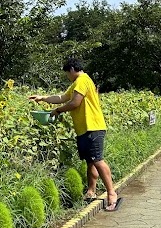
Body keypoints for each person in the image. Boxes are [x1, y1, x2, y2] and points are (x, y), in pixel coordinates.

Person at [29, 58, 122, 211]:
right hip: (85, 128)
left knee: (97, 160)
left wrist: (57, 110)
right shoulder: (77, 83)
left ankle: (111, 194)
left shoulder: (82, 80)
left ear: (72, 69)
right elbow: (62, 98)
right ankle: (91, 191)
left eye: (67, 74)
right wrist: (43, 98)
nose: (67, 77)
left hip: (93, 127)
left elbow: (74, 103)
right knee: (90, 161)